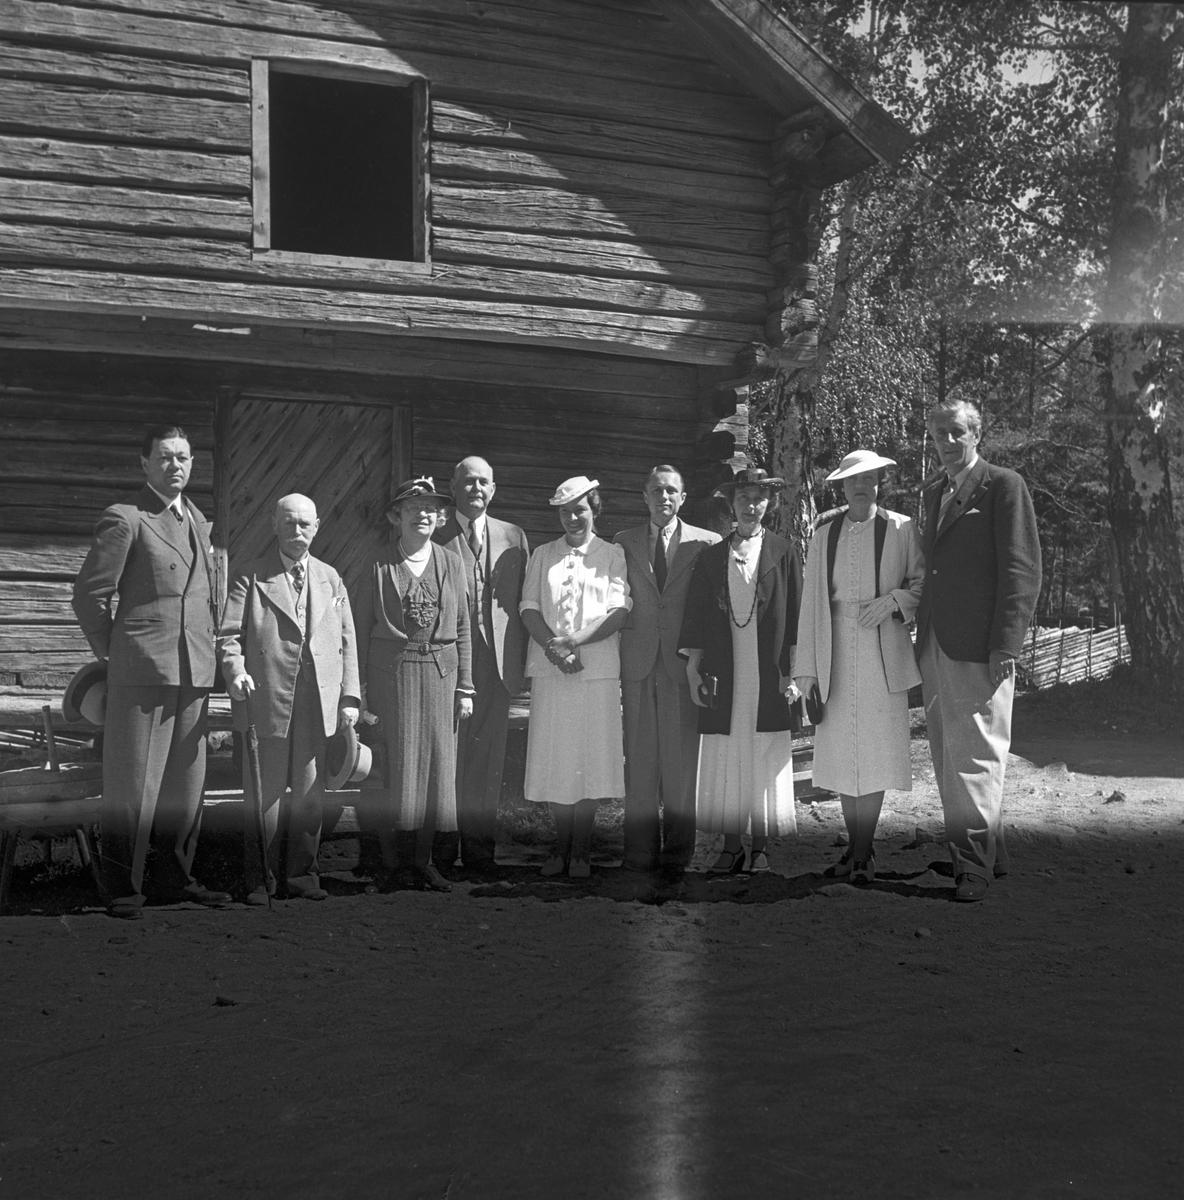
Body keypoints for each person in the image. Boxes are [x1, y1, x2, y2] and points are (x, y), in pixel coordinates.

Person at [71, 424, 230, 919]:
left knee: (186, 785)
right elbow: (90, 596)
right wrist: (116, 654)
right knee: (134, 785)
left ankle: (173, 880)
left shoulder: (197, 520)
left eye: (182, 457)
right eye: (164, 457)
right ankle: (123, 886)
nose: (175, 465)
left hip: (194, 670)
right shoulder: (126, 518)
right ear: (145, 464)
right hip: (143, 670)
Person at [916, 398, 1041, 902]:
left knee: (976, 754)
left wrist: (1005, 644)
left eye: (956, 432)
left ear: (976, 434)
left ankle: (971, 866)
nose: (947, 442)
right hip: (935, 642)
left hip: (979, 646)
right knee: (950, 751)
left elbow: (1021, 571)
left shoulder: (1004, 486)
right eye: (939, 434)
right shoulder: (934, 492)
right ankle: (992, 853)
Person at [217, 494, 360, 904]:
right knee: (265, 797)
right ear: (274, 525)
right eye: (289, 523)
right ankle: (259, 882)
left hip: (318, 703)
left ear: (317, 527)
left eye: (304, 524)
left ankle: (303, 879)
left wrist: (349, 696)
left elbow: (347, 639)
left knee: (310, 794)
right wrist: (236, 671)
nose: (297, 531)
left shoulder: (330, 578)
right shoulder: (251, 576)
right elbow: (228, 636)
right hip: (268, 700)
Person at [794, 450, 925, 883]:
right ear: (842, 486)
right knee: (843, 757)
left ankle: (863, 853)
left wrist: (895, 601)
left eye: (869, 478)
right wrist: (807, 669)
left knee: (875, 754)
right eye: (853, 480)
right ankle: (856, 852)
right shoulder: (824, 535)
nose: (861, 486)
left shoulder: (902, 528)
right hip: (834, 651)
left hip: (882, 651)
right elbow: (811, 604)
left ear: (880, 482)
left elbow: (924, 583)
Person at [680, 468, 803, 873]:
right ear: (731, 505)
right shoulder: (712, 558)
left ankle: (760, 848)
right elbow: (696, 618)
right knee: (730, 756)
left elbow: (798, 617)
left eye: (758, 498)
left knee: (761, 753)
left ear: (769, 503)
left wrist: (794, 673)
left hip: (769, 672)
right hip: (725, 672)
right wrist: (694, 669)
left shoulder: (784, 552)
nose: (751, 506)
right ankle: (732, 848)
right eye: (743, 498)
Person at [355, 477, 474, 892]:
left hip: (440, 676)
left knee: (435, 771)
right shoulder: (379, 563)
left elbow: (463, 627)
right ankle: (391, 865)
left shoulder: (451, 562)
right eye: (412, 507)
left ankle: (422, 863)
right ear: (396, 516)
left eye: (430, 508)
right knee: (395, 768)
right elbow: (361, 626)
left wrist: (465, 686)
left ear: (439, 517)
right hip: (393, 676)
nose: (422, 514)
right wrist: (361, 689)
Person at [519, 476, 631, 878]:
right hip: (552, 672)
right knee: (557, 758)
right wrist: (554, 647)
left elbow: (619, 611)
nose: (572, 518)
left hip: (596, 672)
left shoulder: (611, 554)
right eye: (565, 511)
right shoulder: (543, 554)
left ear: (594, 509)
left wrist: (574, 642)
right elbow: (529, 607)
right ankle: (559, 846)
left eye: (580, 510)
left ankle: (582, 849)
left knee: (589, 759)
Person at [614, 465, 719, 883]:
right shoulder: (623, 542)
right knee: (639, 762)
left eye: (672, 490)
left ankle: (677, 855)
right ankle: (639, 852)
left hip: (682, 664)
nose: (664, 497)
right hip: (638, 662)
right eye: (657, 490)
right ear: (645, 496)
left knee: (680, 765)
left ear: (683, 498)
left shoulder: (706, 543)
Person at [432, 456, 529, 877]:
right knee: (447, 756)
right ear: (453, 487)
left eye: (483, 482)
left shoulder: (513, 536)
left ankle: (479, 853)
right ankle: (441, 852)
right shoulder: (436, 532)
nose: (476, 489)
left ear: (493, 490)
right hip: (447, 663)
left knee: (487, 760)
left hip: (496, 665)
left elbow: (523, 602)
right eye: (468, 481)